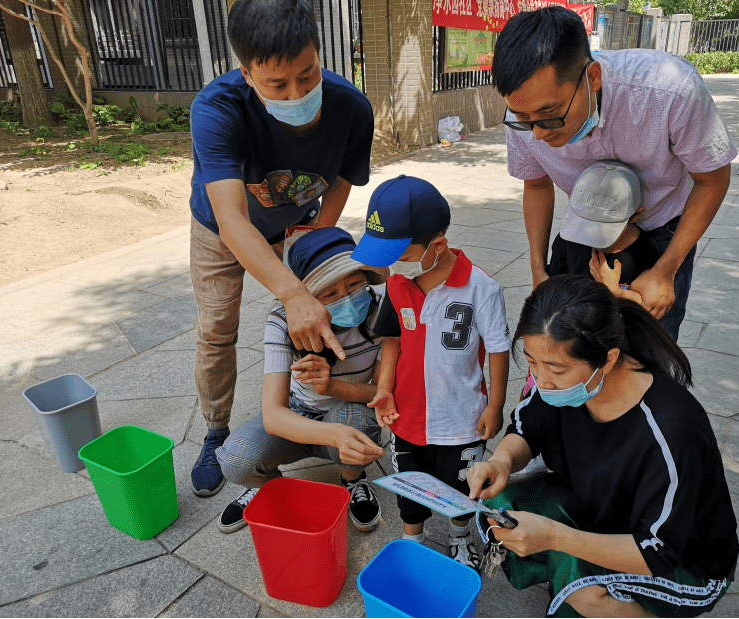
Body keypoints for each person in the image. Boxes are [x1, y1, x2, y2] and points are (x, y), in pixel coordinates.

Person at [467, 275, 739, 618]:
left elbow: (659, 550)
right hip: (611, 516)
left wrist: (554, 537)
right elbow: (527, 428)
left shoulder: (671, 427)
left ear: (608, 360)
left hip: (688, 563)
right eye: (532, 363)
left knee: (587, 591)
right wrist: (503, 461)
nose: (542, 380)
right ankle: (571, 571)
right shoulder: (560, 386)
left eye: (555, 369)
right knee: (504, 503)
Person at [188, 0, 374, 497]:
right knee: (217, 327)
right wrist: (291, 292)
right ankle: (216, 431)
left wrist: (313, 244)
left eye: (308, 74)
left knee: (313, 314)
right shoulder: (216, 109)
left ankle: (310, 409)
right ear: (246, 72)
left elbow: (340, 181)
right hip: (221, 230)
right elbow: (231, 219)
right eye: (278, 84)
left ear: (318, 53)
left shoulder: (351, 106)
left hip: (298, 225)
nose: (299, 93)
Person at [492, 7, 737, 343]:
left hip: (663, 228)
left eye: (551, 115)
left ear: (593, 77)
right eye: (523, 117)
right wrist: (538, 267)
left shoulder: (669, 90)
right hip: (586, 227)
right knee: (575, 340)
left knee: (650, 340)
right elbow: (535, 184)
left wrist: (666, 268)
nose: (536, 134)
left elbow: (712, 179)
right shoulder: (526, 115)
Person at [351, 175, 511, 568]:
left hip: (462, 417)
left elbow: (498, 348)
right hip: (408, 416)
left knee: (459, 487)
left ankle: (460, 539)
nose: (390, 264)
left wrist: (496, 405)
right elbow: (392, 340)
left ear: (437, 246)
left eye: (399, 252)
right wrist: (384, 387)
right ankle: (413, 543)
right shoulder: (398, 283)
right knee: (410, 486)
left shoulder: (481, 289)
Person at [215, 227, 388, 533]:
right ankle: (266, 486)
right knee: (236, 459)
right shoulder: (283, 320)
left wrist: (333, 387)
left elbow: (382, 393)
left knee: (353, 419)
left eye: (354, 283)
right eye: (330, 293)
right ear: (306, 296)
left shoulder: (381, 313)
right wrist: (333, 435)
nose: (347, 298)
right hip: (299, 413)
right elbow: (274, 415)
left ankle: (352, 480)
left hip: (349, 409)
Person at [547, 160, 658, 305]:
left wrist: (617, 292)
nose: (592, 234)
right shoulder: (566, 241)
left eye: (604, 226)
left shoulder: (646, 250)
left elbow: (647, 306)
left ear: (636, 215)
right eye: (586, 223)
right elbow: (553, 288)